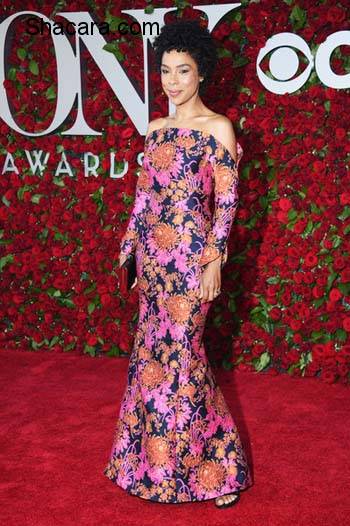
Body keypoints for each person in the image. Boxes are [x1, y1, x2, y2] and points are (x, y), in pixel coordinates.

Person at [104, 18, 253, 508]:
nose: (172, 80)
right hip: (152, 264)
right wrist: (129, 251)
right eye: (166, 70)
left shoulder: (219, 129)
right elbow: (143, 201)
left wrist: (213, 262)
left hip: (191, 264)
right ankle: (148, 466)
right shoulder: (155, 129)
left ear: (201, 74)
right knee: (151, 363)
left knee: (184, 359)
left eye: (182, 70)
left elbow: (227, 205)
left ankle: (221, 469)